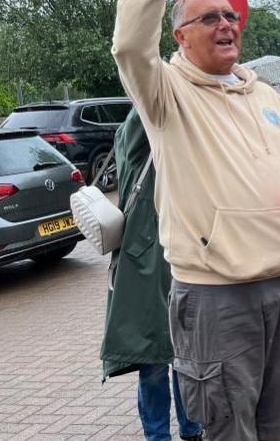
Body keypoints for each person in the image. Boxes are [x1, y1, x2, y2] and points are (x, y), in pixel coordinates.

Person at [111, 0, 280, 441]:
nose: (226, 23)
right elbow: (130, 45)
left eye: (231, 15)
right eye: (210, 18)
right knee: (228, 427)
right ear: (181, 36)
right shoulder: (165, 93)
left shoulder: (264, 94)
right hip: (215, 296)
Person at [100, 108, 202, 441]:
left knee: (185, 355)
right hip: (145, 262)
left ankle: (192, 428)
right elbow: (146, 107)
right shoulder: (135, 133)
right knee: (154, 358)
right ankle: (158, 436)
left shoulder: (175, 142)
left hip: (179, 256)